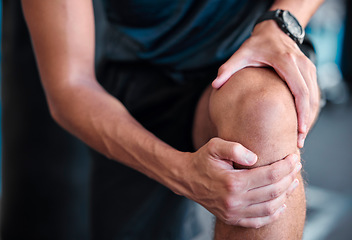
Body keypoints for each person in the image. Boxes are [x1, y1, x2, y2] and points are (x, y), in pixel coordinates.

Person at [21, 0, 322, 239]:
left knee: (263, 114)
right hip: (143, 88)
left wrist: (280, 23)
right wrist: (182, 174)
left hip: (251, 50)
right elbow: (70, 85)